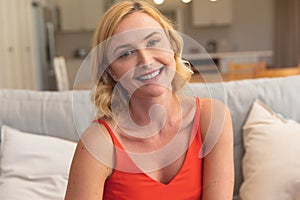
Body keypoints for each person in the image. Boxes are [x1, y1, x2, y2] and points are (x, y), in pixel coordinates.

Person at [65, 1, 234, 199]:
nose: (146, 61)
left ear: (172, 47)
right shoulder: (99, 143)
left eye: (153, 42)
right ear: (111, 71)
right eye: (126, 53)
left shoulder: (212, 118)